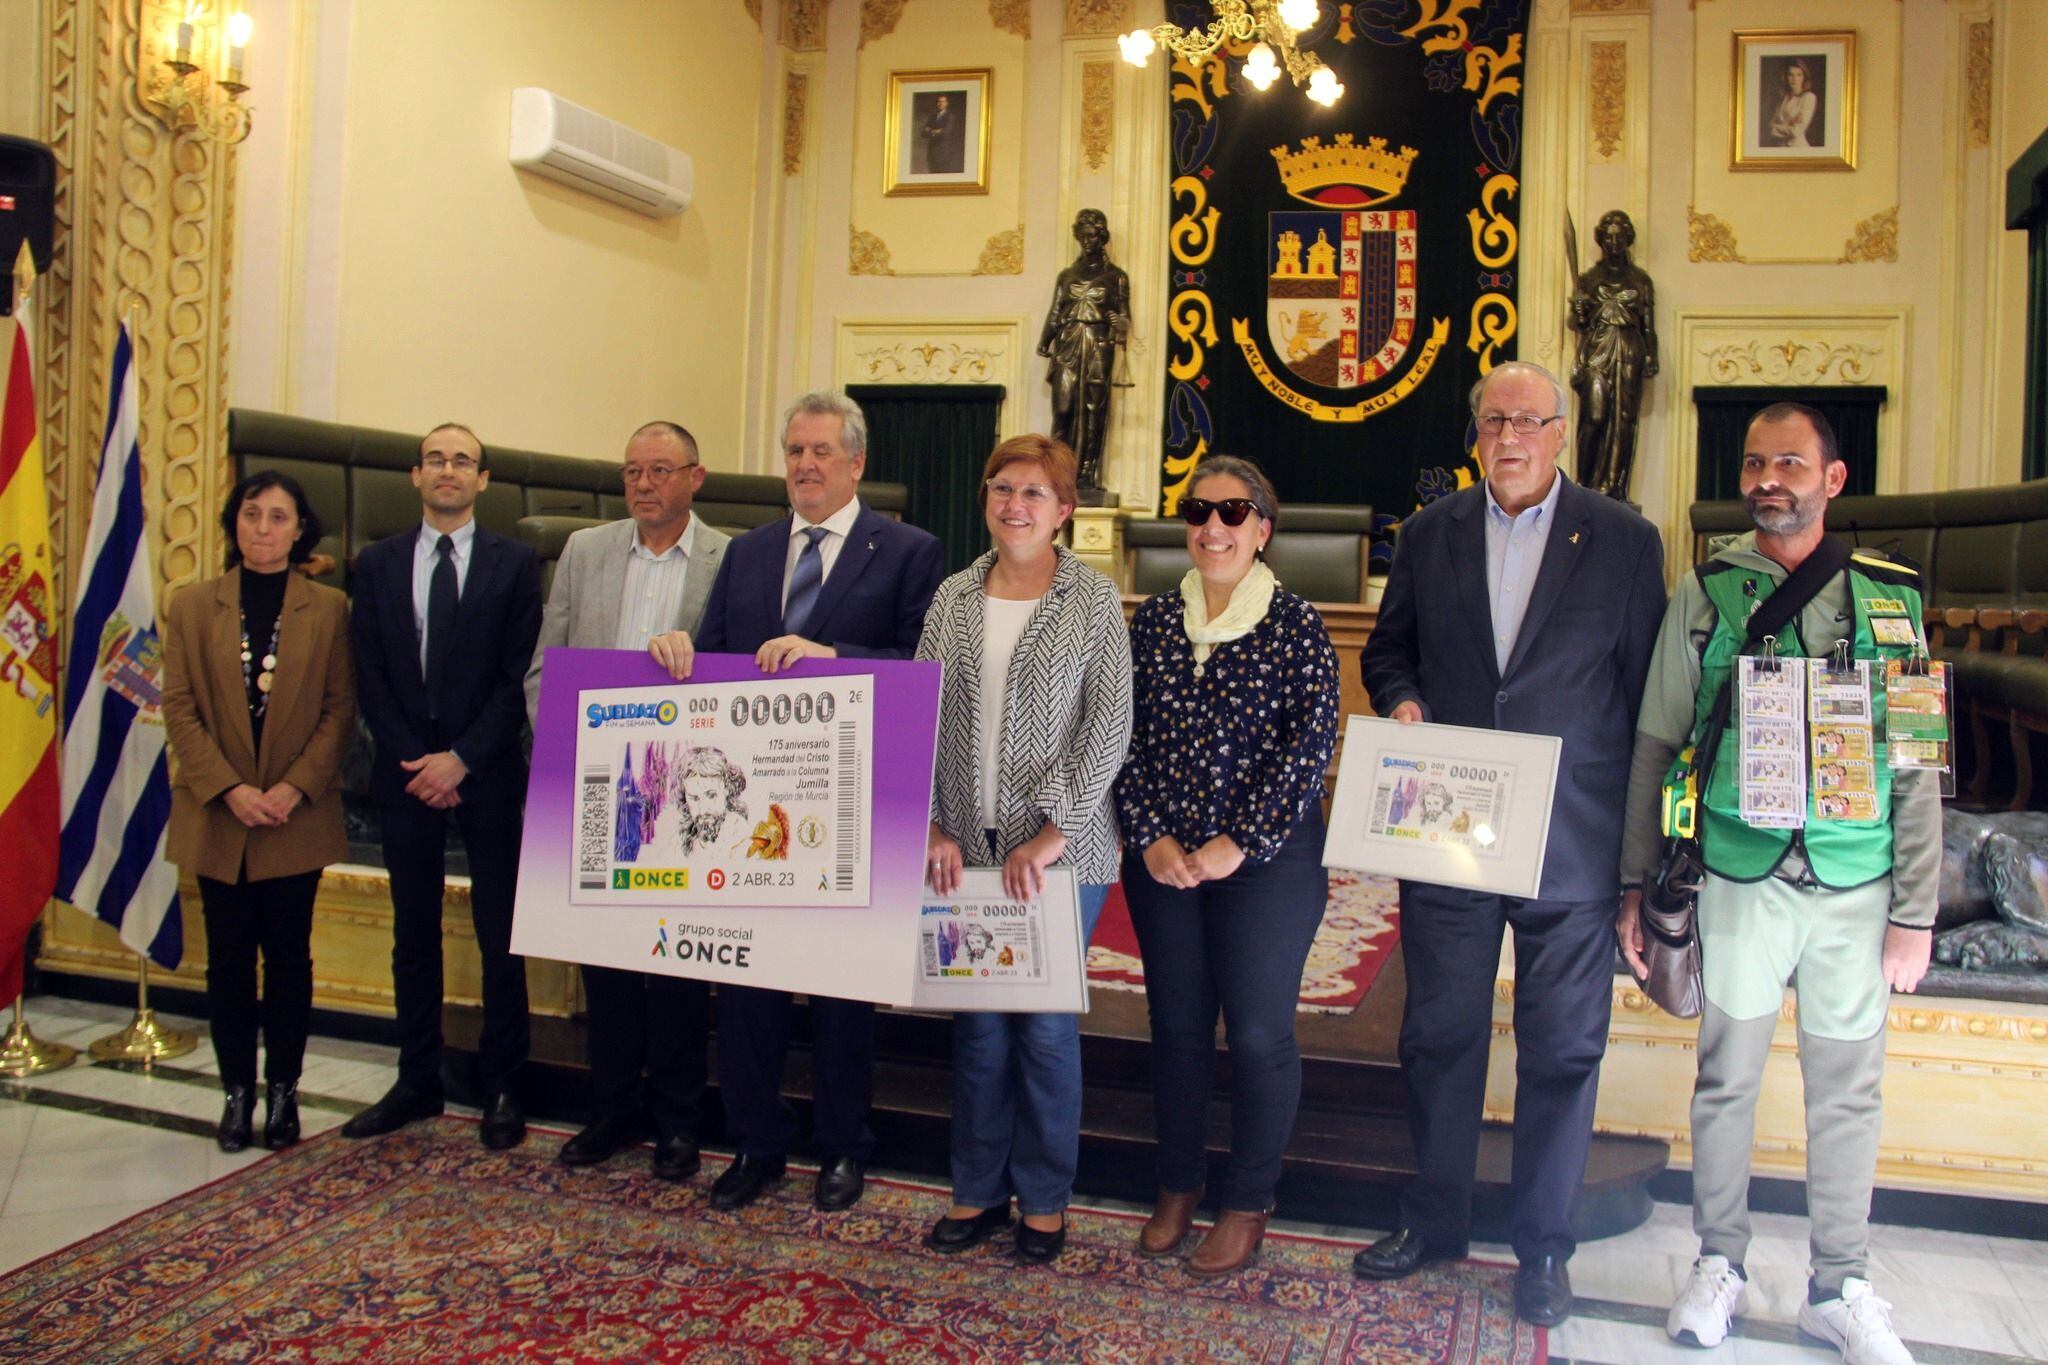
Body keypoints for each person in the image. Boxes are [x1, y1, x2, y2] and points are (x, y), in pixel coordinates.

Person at [1354, 361, 1666, 1327]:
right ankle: (1436, 1219)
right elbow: (1387, 648)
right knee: (1438, 1038)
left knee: (1562, 1051)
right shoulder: (1430, 532)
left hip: (1570, 843)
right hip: (1454, 837)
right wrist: (1403, 697)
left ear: (1561, 433)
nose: (1511, 435)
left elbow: (1648, 701)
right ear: (1475, 435)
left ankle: (1543, 1248)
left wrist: (1632, 869)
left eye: (1530, 419)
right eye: (1494, 419)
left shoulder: (1623, 540)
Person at [1619, 402, 1931, 1365]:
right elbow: (1655, 744)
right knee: (1727, 1081)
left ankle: (1840, 1285)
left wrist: (1915, 912)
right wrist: (1636, 884)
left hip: (1854, 883)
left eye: (1790, 462)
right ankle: (1721, 1261)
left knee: (1848, 1092)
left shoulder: (1892, 602)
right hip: (1739, 874)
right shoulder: (1706, 594)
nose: (1769, 479)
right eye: (1755, 463)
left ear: (1832, 481)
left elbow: (1920, 761)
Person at [645, 388, 945, 1213]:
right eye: (794, 452)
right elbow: (709, 659)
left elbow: (922, 666)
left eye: (820, 452)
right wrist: (676, 650)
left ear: (856, 462)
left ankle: (844, 1146)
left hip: (847, 805)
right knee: (747, 989)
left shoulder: (911, 550)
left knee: (842, 990)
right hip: (749, 821)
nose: (805, 466)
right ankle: (756, 1141)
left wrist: (831, 654)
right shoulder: (748, 552)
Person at [1113, 455, 1339, 1278]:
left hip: (1265, 863)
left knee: (1253, 1031)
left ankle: (1248, 1199)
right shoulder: (1153, 622)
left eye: (1234, 512)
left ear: (1263, 529)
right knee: (1175, 1029)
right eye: (1199, 511)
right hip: (1165, 860)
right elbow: (1120, 736)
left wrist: (1237, 841)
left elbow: (1311, 748)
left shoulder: (1296, 623)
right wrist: (1148, 835)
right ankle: (1177, 1185)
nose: (1214, 526)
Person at [917, 434, 1133, 1265]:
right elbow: (925, 714)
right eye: (1002, 487)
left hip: (1061, 856)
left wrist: (1054, 833)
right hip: (965, 846)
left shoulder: (1092, 598)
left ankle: (1043, 1198)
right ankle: (976, 1189)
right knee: (977, 1028)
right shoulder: (951, 597)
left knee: (1043, 1028)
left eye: (1036, 493)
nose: (1016, 505)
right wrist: (934, 823)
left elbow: (1108, 726)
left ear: (1065, 509)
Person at [523, 420, 731, 1180]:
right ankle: (611, 1109)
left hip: (681, 797)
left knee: (675, 965)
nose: (644, 484)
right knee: (605, 962)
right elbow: (547, 663)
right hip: (595, 787)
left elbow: (735, 671)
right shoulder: (584, 550)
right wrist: (568, 748)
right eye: (632, 471)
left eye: (660, 470)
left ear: (695, 477)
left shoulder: (729, 556)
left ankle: (679, 1121)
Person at [343, 423, 542, 1150]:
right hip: (405, 779)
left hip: (487, 777)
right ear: (416, 475)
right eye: (436, 459)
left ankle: (501, 1085)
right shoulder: (378, 563)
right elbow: (370, 676)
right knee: (412, 936)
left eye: (462, 460)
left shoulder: (515, 564)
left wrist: (460, 758)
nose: (448, 470)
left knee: (500, 938)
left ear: (483, 479)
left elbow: (516, 674)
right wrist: (417, 761)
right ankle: (415, 1079)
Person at [161, 471, 355, 1154]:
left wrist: (295, 787)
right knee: (229, 962)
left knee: (289, 959)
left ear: (300, 528)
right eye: (251, 514)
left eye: (278, 517)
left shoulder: (329, 608)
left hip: (294, 816)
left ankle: (284, 1093)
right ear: (233, 522)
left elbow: (339, 710)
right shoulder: (191, 604)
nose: (263, 528)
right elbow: (179, 709)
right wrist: (230, 788)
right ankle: (236, 1093)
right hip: (220, 815)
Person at [1038, 209, 1131, 494]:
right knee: (1063, 408)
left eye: (1092, 235)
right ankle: (1058, 473)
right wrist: (1045, 341)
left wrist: (1121, 323)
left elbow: (1125, 319)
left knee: (1093, 410)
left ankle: (1087, 475)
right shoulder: (1067, 275)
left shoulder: (1116, 277)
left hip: (1098, 344)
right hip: (1068, 343)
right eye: (1082, 235)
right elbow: (1056, 312)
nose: (1087, 241)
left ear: (1102, 237)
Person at [1568, 210, 1658, 502]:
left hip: (1630, 348)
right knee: (1594, 416)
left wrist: (1651, 356)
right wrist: (1579, 311)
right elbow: (1575, 324)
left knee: (1623, 420)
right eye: (1609, 236)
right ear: (1601, 239)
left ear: (1628, 239)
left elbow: (1648, 325)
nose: (1614, 242)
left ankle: (1616, 489)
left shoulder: (1641, 280)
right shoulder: (1589, 279)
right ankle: (1583, 485)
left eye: (1620, 236)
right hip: (1597, 349)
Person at [1767, 60, 1818, 148]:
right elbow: (1769, 127)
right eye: (1790, 75)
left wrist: (1775, 127)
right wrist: (1789, 123)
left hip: (1798, 148)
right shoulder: (1783, 97)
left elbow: (1796, 131)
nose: (1794, 79)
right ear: (1785, 77)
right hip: (1779, 148)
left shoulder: (1808, 97)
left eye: (1799, 75)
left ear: (1804, 77)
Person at [920, 92, 962, 175]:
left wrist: (931, 130)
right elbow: (923, 133)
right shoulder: (931, 117)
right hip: (932, 152)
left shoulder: (950, 117)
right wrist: (936, 131)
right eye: (939, 102)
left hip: (944, 152)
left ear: (946, 103)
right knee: (932, 174)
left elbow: (946, 132)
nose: (940, 104)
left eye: (943, 101)